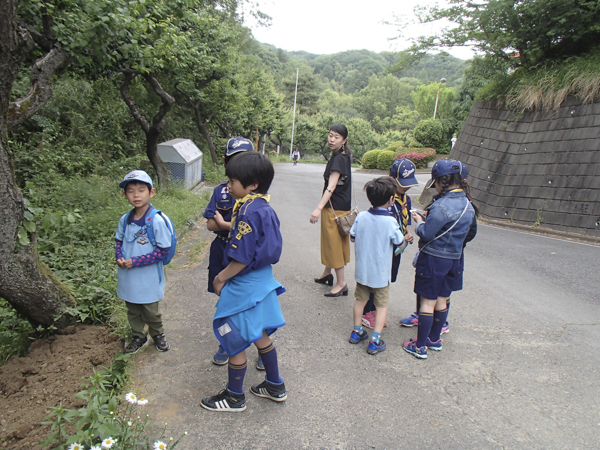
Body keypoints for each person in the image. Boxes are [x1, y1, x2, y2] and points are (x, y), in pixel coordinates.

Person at [201, 151, 287, 412]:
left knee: (235, 339)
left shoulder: (247, 212)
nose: (228, 185)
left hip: (245, 283)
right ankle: (275, 384)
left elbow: (241, 258)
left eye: (233, 181)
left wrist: (219, 278)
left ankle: (234, 396)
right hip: (264, 280)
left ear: (252, 185)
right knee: (259, 333)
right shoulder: (264, 207)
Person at [403, 160, 476, 360]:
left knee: (427, 302)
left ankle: (419, 346)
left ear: (440, 182)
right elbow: (471, 233)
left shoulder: (441, 205)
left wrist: (419, 221)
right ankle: (434, 340)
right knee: (442, 299)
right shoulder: (468, 205)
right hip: (455, 259)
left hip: (434, 259)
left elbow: (426, 233)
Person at [202, 137, 263, 370]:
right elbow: (210, 225)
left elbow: (257, 232)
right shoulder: (221, 191)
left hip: (247, 254)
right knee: (225, 298)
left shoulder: (258, 195)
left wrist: (226, 223)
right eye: (234, 160)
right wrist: (223, 225)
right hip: (223, 249)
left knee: (252, 300)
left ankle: (261, 344)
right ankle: (228, 343)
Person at [115, 170, 172, 354]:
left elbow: (163, 251)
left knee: (150, 311)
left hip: (147, 278)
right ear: (125, 194)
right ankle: (138, 335)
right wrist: (119, 256)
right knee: (132, 309)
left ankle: (158, 334)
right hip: (128, 277)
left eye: (141, 190)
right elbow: (118, 241)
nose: (136, 195)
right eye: (131, 191)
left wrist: (137, 261)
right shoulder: (125, 220)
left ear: (151, 192)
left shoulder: (155, 220)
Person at [348, 177, 403, 355]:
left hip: (362, 272)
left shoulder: (362, 216)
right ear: (391, 200)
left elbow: (352, 236)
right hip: (380, 275)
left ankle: (357, 332)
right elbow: (399, 243)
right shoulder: (390, 222)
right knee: (381, 306)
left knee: (360, 300)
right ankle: (375, 340)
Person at [361, 159, 417, 329]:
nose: (405, 188)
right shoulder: (385, 200)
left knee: (387, 279)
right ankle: (367, 312)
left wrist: (407, 232)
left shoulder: (406, 199)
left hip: (396, 249)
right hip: (382, 248)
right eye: (401, 184)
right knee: (375, 280)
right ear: (391, 177)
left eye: (408, 185)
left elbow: (405, 220)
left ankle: (374, 311)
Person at [310, 124, 353, 297]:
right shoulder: (344, 156)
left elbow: (332, 186)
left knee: (334, 245)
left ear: (344, 140)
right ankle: (327, 273)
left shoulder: (338, 159)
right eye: (330, 135)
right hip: (342, 208)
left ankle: (341, 283)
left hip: (334, 209)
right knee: (333, 242)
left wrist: (318, 208)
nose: (332, 139)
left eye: (336, 137)